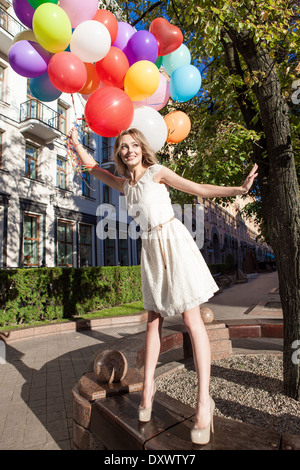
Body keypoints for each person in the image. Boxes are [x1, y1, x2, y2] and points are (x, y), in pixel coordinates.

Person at [68, 126, 258, 445]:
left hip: (173, 241)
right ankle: (149, 390)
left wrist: (239, 189)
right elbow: (93, 168)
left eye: (133, 145)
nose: (128, 150)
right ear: (119, 154)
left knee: (190, 319)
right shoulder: (124, 184)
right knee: (153, 322)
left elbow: (197, 187)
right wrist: (74, 143)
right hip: (151, 250)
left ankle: (202, 403)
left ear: (142, 148)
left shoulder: (157, 172)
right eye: (122, 147)